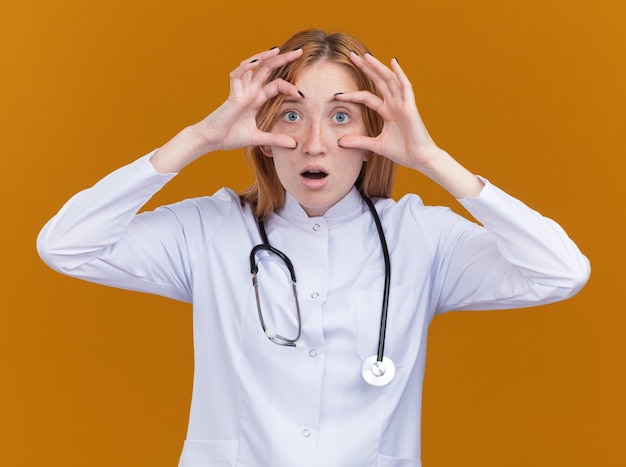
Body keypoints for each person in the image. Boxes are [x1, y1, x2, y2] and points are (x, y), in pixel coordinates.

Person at [37, 29, 590, 467]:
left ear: (375, 132)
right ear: (262, 128)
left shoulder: (421, 239)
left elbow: (560, 272)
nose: (314, 143)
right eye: (292, 115)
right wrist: (200, 137)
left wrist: (431, 160)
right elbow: (66, 245)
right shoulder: (208, 230)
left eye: (342, 116)